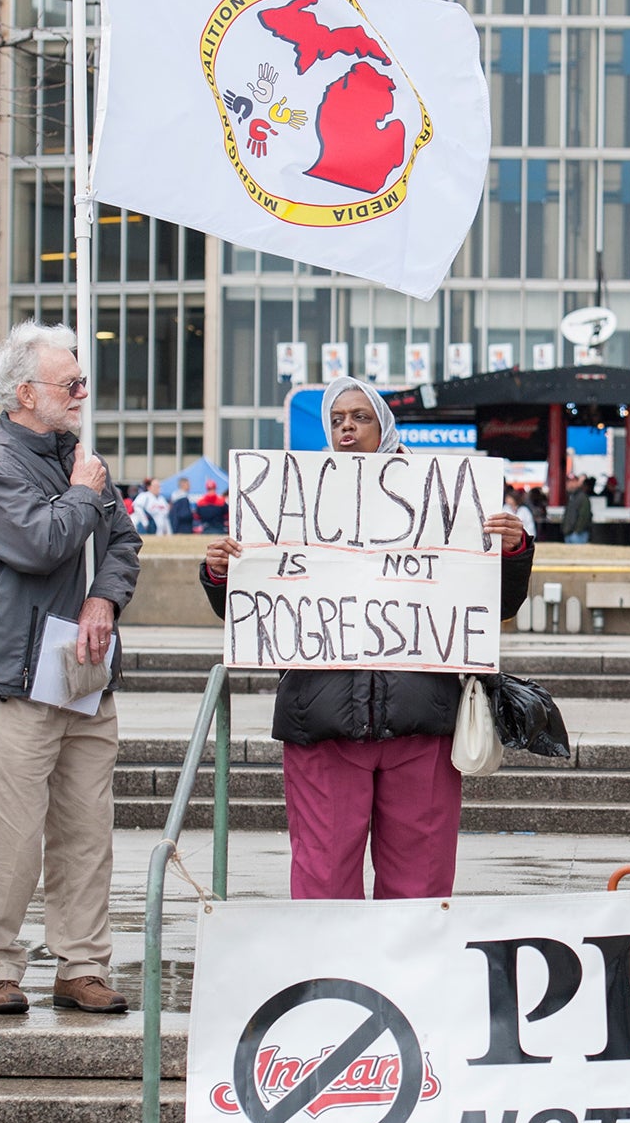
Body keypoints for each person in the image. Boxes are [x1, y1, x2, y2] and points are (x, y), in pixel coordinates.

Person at [201, 377, 531, 898]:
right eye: (337, 419)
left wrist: (511, 551)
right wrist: (223, 573)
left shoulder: (442, 501)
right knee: (323, 880)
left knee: (418, 884)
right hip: (323, 723)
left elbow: (498, 604)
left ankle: (412, 981)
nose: (347, 427)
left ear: (385, 426)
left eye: (360, 417)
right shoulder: (295, 500)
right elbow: (256, 611)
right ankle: (328, 977)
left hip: (421, 724)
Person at [0, 321, 142, 1014]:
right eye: (71, 384)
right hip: (16, 672)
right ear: (24, 393)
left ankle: (82, 962)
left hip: (82, 669)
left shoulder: (80, 460)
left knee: (86, 829)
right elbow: (41, 543)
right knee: (8, 832)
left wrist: (104, 597)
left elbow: (122, 544)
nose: (82, 394)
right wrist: (87, 492)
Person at [563, 473, 593, 544]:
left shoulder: (582, 497)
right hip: (569, 533)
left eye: (572, 481)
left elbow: (584, 516)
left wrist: (577, 530)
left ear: (578, 483)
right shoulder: (571, 497)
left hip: (578, 535)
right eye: (568, 481)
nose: (569, 484)